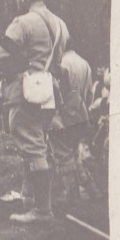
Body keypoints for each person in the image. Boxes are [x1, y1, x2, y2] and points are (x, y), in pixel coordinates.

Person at [0, 0, 70, 224]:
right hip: (48, 92)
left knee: (31, 146)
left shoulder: (23, 22)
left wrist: (15, 68)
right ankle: (30, 199)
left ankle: (42, 210)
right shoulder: (60, 24)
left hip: (26, 92)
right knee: (37, 144)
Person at [50, 48, 94, 203]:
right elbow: (89, 94)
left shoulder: (61, 63)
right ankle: (91, 188)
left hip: (64, 115)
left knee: (63, 154)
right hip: (80, 114)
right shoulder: (85, 64)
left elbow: (56, 92)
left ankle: (72, 195)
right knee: (75, 154)